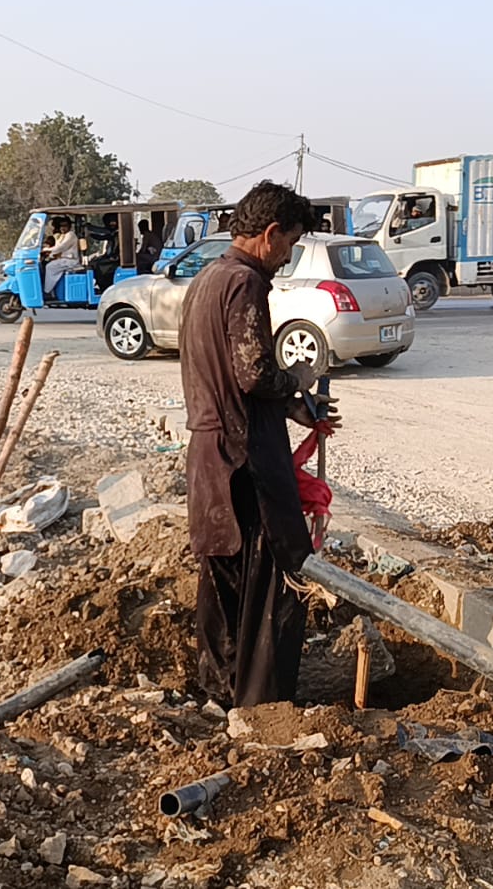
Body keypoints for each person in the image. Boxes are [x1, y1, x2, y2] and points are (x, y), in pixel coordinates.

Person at [179, 180, 331, 707]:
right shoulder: (245, 282)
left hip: (208, 456)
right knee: (273, 579)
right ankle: (262, 707)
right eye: (289, 244)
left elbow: (228, 376)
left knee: (225, 582)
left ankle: (220, 697)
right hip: (245, 461)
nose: (287, 257)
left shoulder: (205, 279)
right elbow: (253, 374)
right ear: (269, 235)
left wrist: (298, 409)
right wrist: (298, 381)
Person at [41, 216, 78, 300]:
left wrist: (46, 249)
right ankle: (51, 290)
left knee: (50, 267)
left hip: (71, 261)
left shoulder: (70, 235)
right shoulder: (62, 236)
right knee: (47, 264)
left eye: (65, 226)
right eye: (61, 226)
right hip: (64, 259)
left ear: (69, 226)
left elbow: (60, 248)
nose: (63, 228)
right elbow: (56, 248)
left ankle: (47, 292)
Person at [86, 213, 121, 289]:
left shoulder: (119, 233)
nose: (111, 224)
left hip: (116, 260)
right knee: (93, 262)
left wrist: (91, 232)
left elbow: (103, 235)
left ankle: (103, 285)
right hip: (110, 257)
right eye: (110, 222)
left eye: (113, 222)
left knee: (96, 265)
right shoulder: (113, 233)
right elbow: (102, 235)